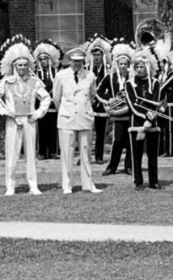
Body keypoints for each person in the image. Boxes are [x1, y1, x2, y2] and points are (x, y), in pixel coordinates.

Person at [0, 42, 52, 195]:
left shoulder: (35, 82)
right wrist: (5, 112)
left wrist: (38, 113)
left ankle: (33, 185)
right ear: (14, 66)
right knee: (12, 154)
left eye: (25, 65)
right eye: (19, 65)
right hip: (13, 121)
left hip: (30, 120)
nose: (22, 68)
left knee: (31, 154)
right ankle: (10, 185)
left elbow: (46, 98)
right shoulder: (6, 82)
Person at [53, 47, 101, 194]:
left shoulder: (90, 75)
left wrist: (84, 109)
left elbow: (92, 95)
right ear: (69, 61)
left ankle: (88, 184)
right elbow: (56, 98)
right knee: (67, 154)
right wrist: (66, 111)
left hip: (84, 117)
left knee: (85, 153)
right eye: (74, 61)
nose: (77, 64)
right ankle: (67, 185)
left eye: (80, 61)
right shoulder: (61, 76)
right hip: (67, 118)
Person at [125, 46, 165, 190]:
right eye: (137, 67)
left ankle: (153, 181)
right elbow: (132, 103)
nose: (139, 69)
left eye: (142, 66)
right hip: (136, 123)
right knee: (136, 154)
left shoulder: (155, 83)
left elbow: (156, 100)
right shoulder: (129, 84)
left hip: (152, 123)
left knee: (153, 154)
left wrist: (150, 118)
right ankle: (138, 182)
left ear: (147, 67)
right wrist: (144, 116)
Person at [101, 43, 134, 175]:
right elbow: (99, 91)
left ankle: (129, 166)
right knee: (118, 141)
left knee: (131, 140)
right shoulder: (110, 77)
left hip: (132, 114)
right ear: (117, 65)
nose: (123, 66)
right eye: (121, 64)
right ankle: (112, 167)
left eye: (125, 64)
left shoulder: (133, 78)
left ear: (129, 65)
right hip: (118, 114)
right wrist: (108, 99)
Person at [34, 42, 61, 160]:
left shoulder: (57, 73)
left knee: (53, 129)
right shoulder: (35, 75)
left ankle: (53, 151)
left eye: (45, 59)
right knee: (42, 130)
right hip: (40, 106)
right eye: (41, 59)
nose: (43, 61)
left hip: (54, 105)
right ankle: (42, 151)